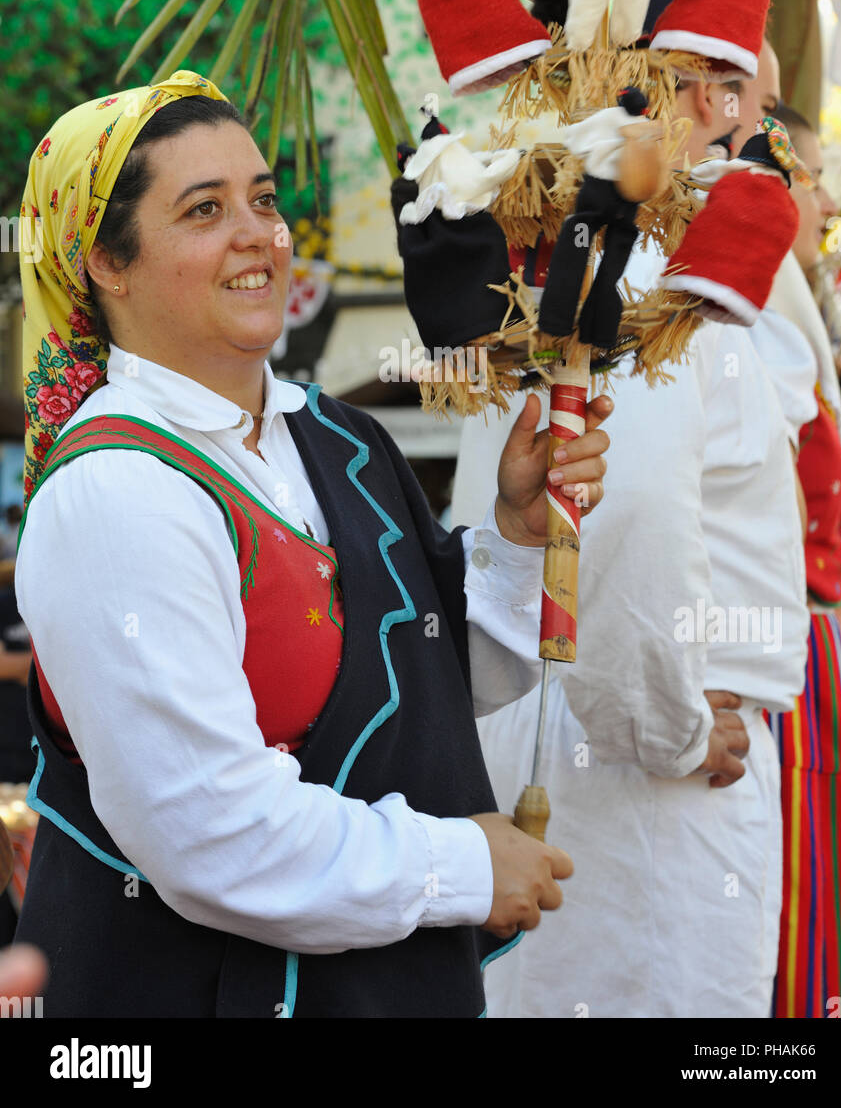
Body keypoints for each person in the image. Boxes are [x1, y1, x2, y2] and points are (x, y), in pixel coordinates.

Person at [12, 70, 612, 1019]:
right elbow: (212, 839)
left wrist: (514, 539)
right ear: (106, 263)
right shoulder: (112, 493)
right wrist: (461, 865)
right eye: (204, 210)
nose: (258, 234)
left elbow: (434, 695)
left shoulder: (339, 439)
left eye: (264, 200)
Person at [473, 70, 810, 1018]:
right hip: (652, 771)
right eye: (747, 93)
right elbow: (622, 515)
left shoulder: (589, 257)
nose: (757, 129)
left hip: (611, 742)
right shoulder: (647, 275)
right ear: (705, 94)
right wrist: (671, 732)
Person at [758, 102, 841, 1018]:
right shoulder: (748, 305)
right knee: (793, 939)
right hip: (779, 651)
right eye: (810, 174)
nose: (827, 197)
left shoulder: (781, 302)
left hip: (808, 646)